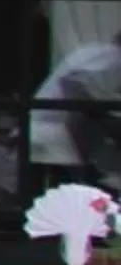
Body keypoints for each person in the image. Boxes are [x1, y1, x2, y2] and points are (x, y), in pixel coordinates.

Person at [30, 32, 121, 182]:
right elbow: (72, 86)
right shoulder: (114, 59)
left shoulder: (97, 52)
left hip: (41, 131)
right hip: (53, 134)